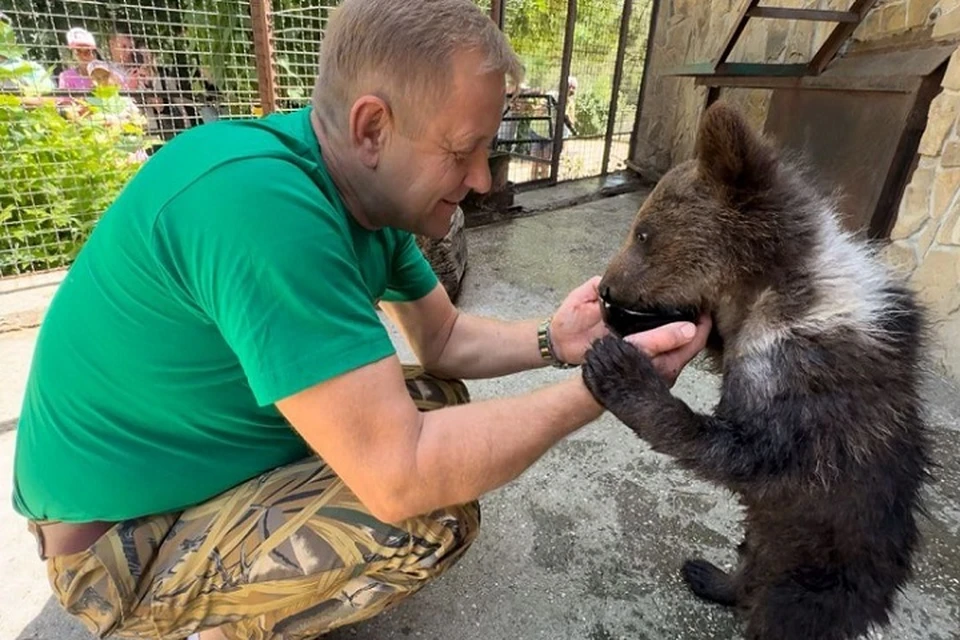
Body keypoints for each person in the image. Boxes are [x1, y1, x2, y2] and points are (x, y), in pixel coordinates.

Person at [12, 1, 711, 639]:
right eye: (463, 151)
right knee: (421, 516)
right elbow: (397, 475)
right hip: (121, 547)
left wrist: (556, 341)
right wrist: (601, 388)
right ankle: (203, 625)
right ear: (372, 127)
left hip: (189, 468)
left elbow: (442, 340)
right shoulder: (262, 208)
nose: (484, 180)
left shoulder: (358, 198)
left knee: (435, 402)